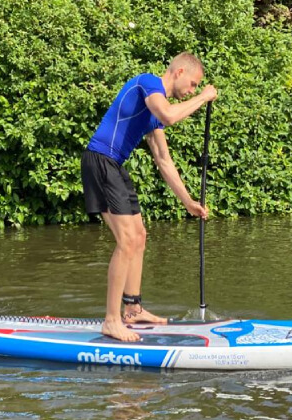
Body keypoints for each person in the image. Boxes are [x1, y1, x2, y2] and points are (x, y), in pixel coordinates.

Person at [81, 52, 218, 342]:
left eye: (196, 88)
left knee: (140, 236)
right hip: (100, 160)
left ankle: (132, 309)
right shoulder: (148, 84)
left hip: (114, 165)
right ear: (179, 72)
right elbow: (169, 114)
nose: (192, 90)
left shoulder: (154, 113)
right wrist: (203, 98)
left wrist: (188, 202)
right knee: (127, 240)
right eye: (193, 84)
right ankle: (111, 320)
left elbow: (163, 160)